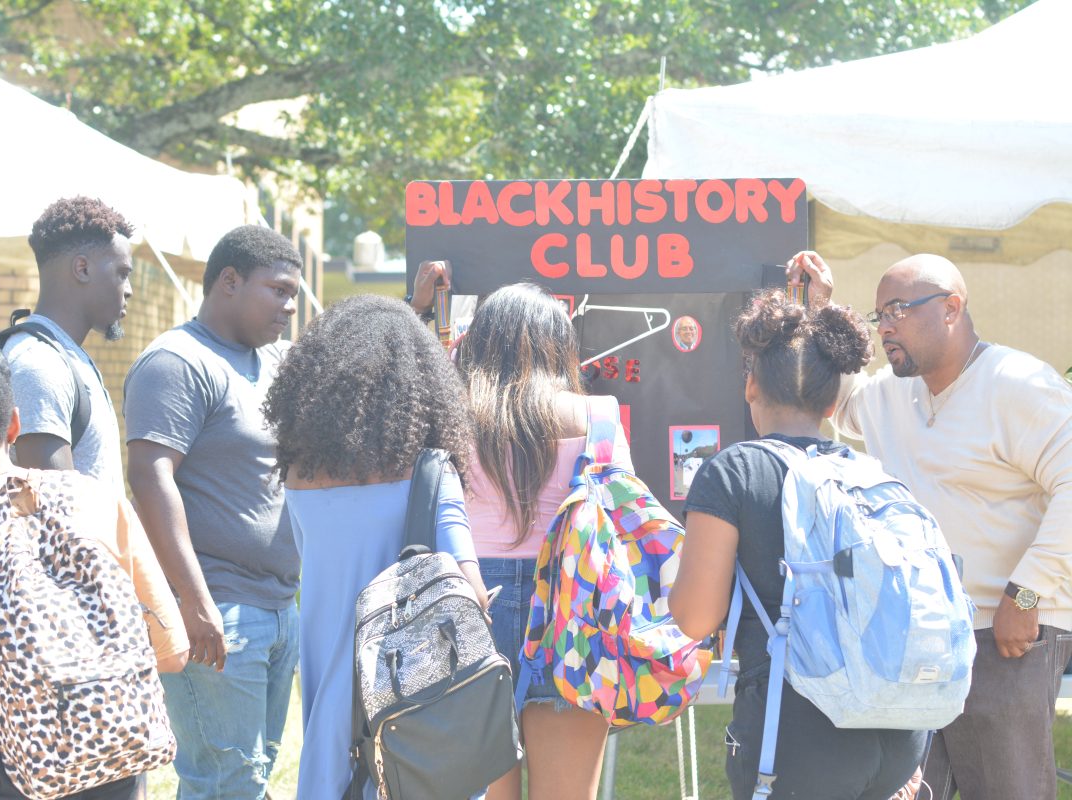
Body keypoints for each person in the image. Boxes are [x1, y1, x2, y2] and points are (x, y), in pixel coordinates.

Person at [788, 250, 1072, 800]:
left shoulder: (1017, 383)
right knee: (908, 791)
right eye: (879, 316)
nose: (885, 327)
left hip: (1006, 636)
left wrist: (1029, 595)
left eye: (897, 310)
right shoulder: (895, 393)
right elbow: (840, 399)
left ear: (951, 308)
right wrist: (821, 310)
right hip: (913, 638)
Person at [0, 345, 188, 799]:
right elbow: (170, 649)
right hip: (117, 757)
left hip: (9, 770)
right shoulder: (95, 500)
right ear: (14, 423)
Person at [668, 291, 926, 799]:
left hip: (796, 732)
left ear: (750, 385)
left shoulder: (734, 472)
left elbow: (693, 619)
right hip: (898, 734)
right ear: (832, 403)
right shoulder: (870, 474)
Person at [263, 294, 488, 800]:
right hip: (417, 716)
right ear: (425, 387)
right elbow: (469, 591)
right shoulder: (431, 474)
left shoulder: (300, 478)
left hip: (334, 716)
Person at [123, 225, 303, 799]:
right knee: (224, 784)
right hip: (218, 609)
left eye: (293, 292)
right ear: (230, 281)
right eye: (277, 289)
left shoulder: (271, 361)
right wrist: (194, 603)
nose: (291, 304)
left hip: (276, 607)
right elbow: (149, 478)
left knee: (247, 779)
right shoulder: (177, 362)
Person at [452, 283, 632, 800]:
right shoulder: (598, 414)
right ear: (560, 345)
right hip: (571, 610)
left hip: (472, 606)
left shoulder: (455, 416)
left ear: (480, 344)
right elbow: (617, 522)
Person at [5, 196, 135, 492]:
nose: (129, 290)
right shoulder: (38, 365)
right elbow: (54, 513)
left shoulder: (65, 357)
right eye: (122, 273)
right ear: (82, 269)